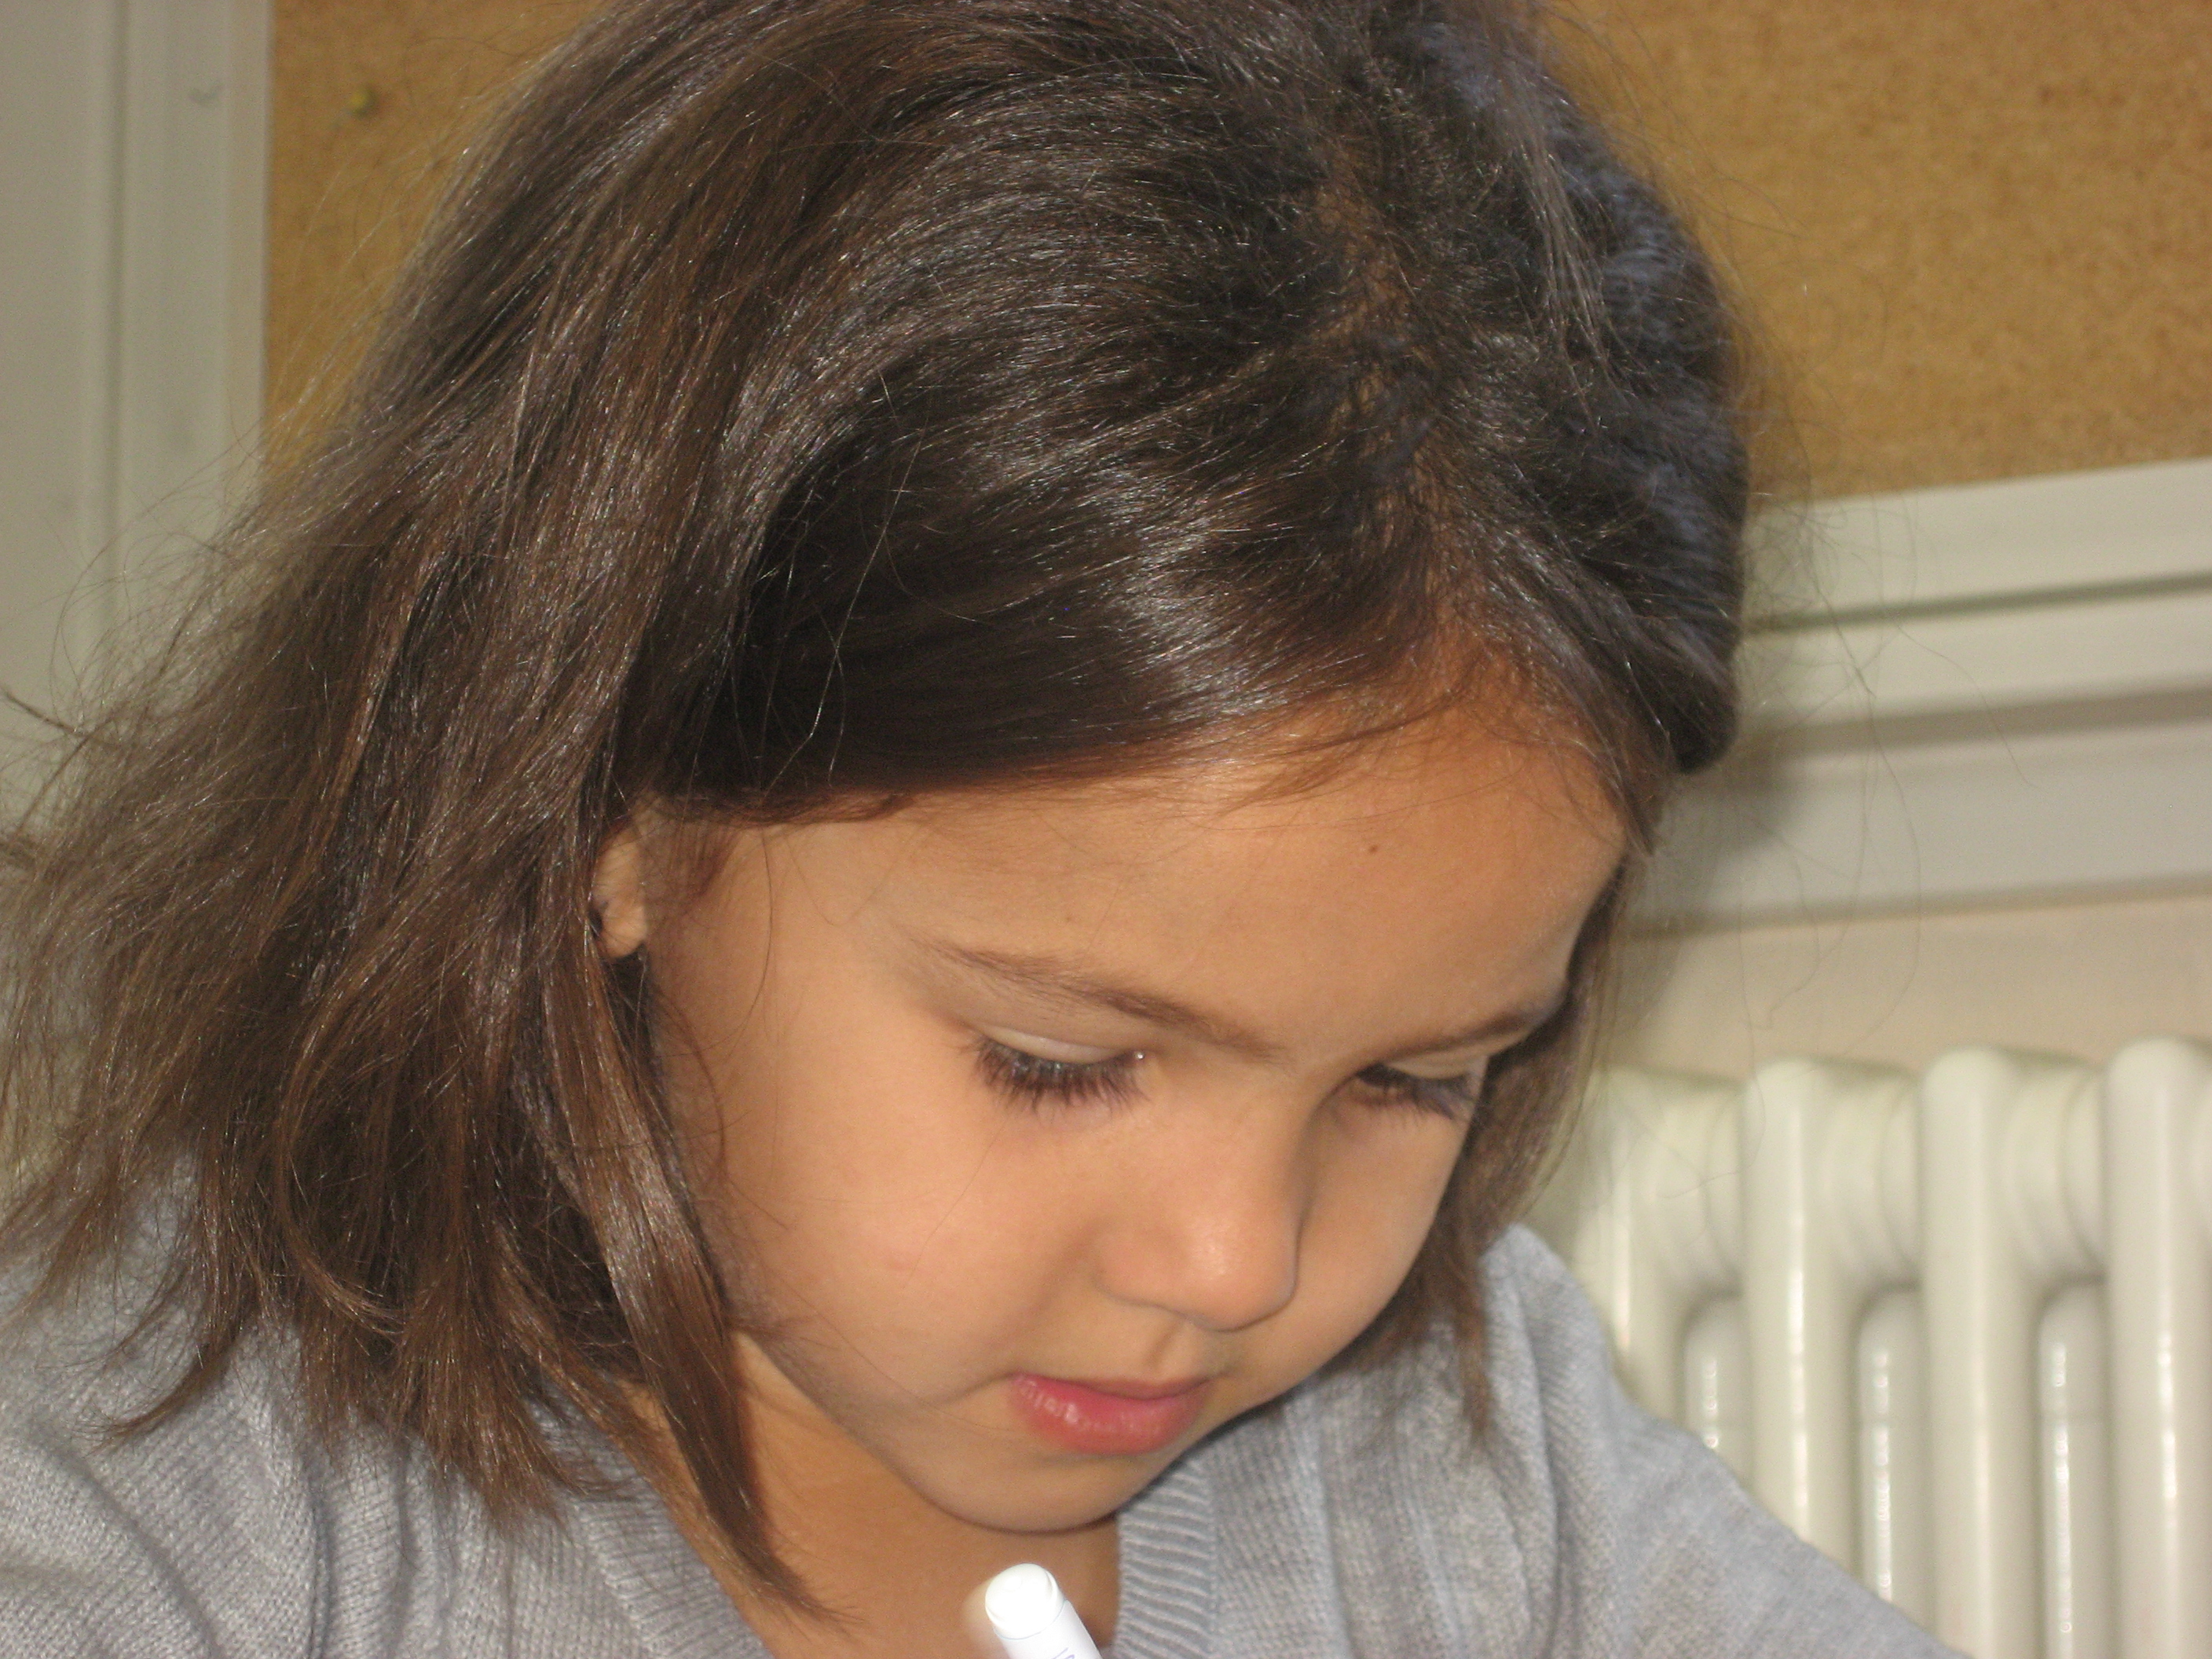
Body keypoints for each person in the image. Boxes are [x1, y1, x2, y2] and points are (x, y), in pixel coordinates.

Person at [0, 1, 1953, 1654]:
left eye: (1409, 1082)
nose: (1235, 1262)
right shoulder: (163, 1502)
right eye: (1059, 1061)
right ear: (604, 800)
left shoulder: (1462, 1459)